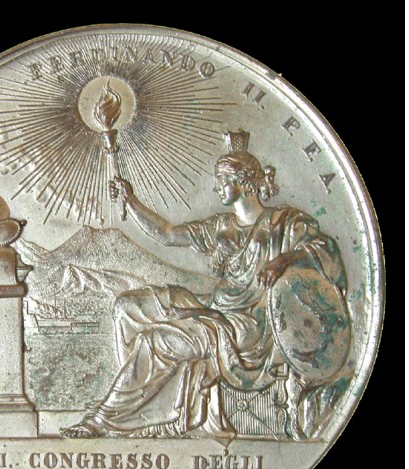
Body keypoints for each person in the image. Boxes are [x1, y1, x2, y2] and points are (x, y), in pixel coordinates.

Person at [62, 131, 347, 441]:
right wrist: (130, 201)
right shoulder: (221, 225)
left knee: (154, 341)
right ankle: (144, 401)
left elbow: (326, 250)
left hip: (249, 325)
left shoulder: (284, 223)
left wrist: (283, 260)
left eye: (222, 180)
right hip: (217, 307)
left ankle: (104, 420)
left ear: (243, 182)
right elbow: (168, 234)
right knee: (128, 305)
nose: (216, 187)